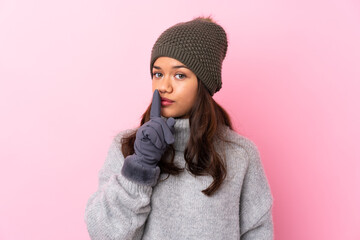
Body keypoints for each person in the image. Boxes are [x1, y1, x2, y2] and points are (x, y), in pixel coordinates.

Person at [84, 16, 274, 240]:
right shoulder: (127, 147)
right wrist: (139, 168)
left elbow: (258, 233)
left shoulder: (241, 155)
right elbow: (103, 234)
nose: (164, 86)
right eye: (158, 74)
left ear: (203, 84)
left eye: (179, 75)